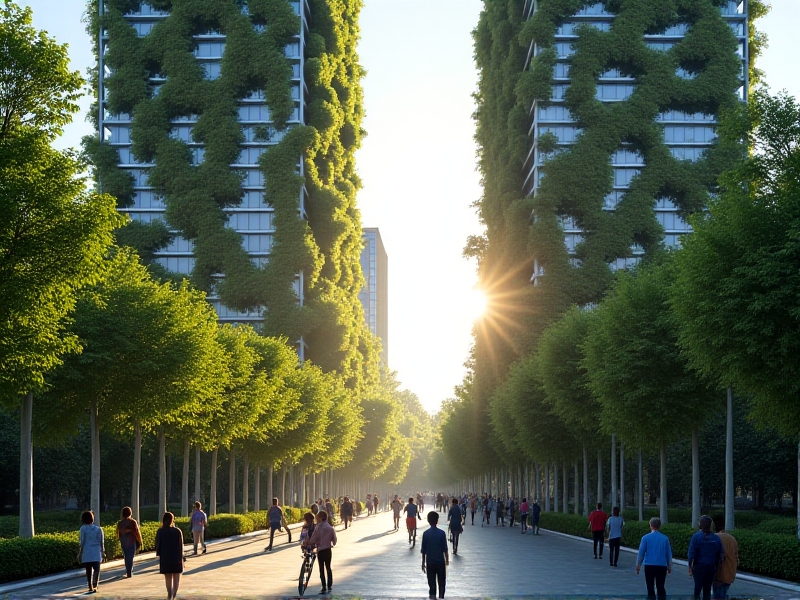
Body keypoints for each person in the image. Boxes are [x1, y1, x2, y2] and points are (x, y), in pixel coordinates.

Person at [688, 515, 725, 600]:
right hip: (711, 566)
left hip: (699, 566)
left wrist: (690, 567)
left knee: (697, 587)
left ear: (700, 525)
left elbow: (691, 554)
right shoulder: (716, 538)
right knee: (707, 589)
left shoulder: (696, 537)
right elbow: (720, 553)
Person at [636, 517, 673, 600]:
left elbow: (641, 553)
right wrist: (669, 566)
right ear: (659, 526)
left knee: (650, 587)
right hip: (661, 566)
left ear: (650, 525)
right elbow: (668, 554)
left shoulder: (645, 538)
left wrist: (638, 565)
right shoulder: (665, 538)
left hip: (649, 565)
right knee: (661, 587)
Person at [155, 511, 184, 600]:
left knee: (168, 578)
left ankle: (169, 594)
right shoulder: (177, 531)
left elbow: (158, 545)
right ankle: (174, 596)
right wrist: (181, 557)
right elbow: (181, 545)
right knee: (176, 578)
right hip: (176, 557)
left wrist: (159, 554)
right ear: (172, 520)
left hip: (165, 557)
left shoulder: (160, 531)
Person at [307, 510, 337, 594]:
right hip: (328, 550)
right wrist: (332, 543)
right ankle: (329, 585)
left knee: (321, 568)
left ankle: (324, 586)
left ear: (320, 518)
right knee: (328, 567)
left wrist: (309, 542)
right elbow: (334, 539)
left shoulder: (318, 527)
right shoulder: (330, 527)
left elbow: (314, 538)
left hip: (320, 550)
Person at [421, 511, 449, 599]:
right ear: (437, 520)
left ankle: (432, 597)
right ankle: (441, 597)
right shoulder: (442, 533)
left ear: (428, 521)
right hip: (440, 562)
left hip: (430, 562)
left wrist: (423, 563)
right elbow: (445, 548)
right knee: (441, 582)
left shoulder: (426, 534)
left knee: (431, 583)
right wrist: (447, 560)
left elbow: (423, 550)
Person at [78, 510, 104, 594]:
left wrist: (80, 553)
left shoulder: (83, 529)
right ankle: (95, 584)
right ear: (92, 519)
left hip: (87, 552)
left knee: (88, 570)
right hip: (96, 553)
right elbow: (101, 542)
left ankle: (90, 585)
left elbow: (82, 542)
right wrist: (103, 552)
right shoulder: (98, 529)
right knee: (97, 570)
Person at [713, 529, 739, 600]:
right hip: (730, 572)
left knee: (717, 594)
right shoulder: (732, 538)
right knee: (723, 593)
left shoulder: (716, 538)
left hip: (719, 574)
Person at [116, 506, 142, 578]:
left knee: (126, 555)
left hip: (123, 541)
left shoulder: (120, 523)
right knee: (130, 556)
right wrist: (140, 541)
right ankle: (129, 571)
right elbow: (137, 532)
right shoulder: (133, 522)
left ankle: (128, 570)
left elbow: (118, 533)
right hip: (131, 541)